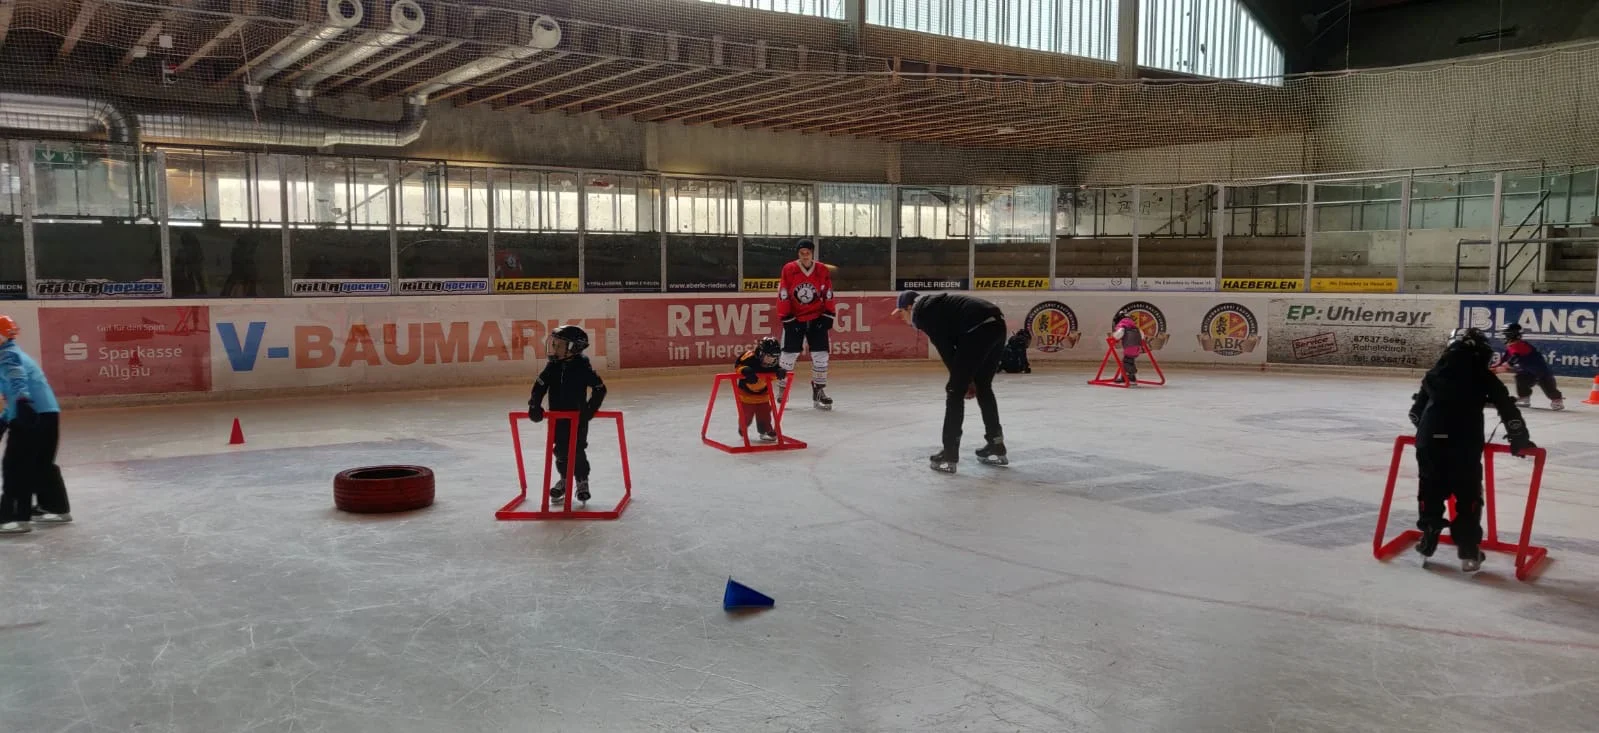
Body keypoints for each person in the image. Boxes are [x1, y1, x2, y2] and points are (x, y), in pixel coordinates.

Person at [1408, 327, 1535, 572]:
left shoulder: (1434, 374)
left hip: (1430, 439)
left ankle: (1429, 536)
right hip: (1464, 440)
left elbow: (1415, 413)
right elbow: (1508, 409)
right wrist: (1519, 437)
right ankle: (1467, 549)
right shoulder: (1482, 375)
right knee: (1468, 495)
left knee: (1430, 488)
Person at [893, 290, 1008, 474]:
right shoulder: (935, 306)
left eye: (900, 312)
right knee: (983, 386)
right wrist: (968, 379)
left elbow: (946, 349)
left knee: (955, 391)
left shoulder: (923, 311)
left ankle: (949, 455)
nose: (901, 318)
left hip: (978, 328)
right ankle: (996, 445)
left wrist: (962, 382)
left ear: (909, 307)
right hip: (997, 324)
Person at [0, 316, 70, 535]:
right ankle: (55, 508)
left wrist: (21, 401)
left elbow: (17, 380)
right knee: (41, 464)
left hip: (30, 414)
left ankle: (14, 519)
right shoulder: (15, 352)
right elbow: (14, 391)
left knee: (16, 466)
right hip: (47, 413)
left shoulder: (7, 355)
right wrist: (5, 418)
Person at [527, 325, 607, 505]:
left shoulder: (582, 366)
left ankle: (581, 481)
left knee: (577, 449)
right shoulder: (552, 366)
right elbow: (539, 386)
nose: (554, 348)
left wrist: (588, 411)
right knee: (560, 450)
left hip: (577, 419)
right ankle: (565, 479)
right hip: (557, 418)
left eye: (559, 345)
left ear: (574, 348)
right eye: (554, 344)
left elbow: (600, 388)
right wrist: (534, 405)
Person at [775, 238, 835, 410]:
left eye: (808, 252)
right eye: (802, 252)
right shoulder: (789, 269)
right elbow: (784, 292)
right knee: (788, 355)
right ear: (798, 253)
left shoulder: (821, 269)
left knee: (821, 355)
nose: (805, 255)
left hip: (817, 316)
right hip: (795, 318)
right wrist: (786, 317)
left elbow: (828, 291)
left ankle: (819, 391)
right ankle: (782, 390)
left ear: (812, 253)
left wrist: (828, 314)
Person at [1493, 323, 1563, 410]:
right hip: (1528, 373)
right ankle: (1524, 398)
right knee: (1520, 378)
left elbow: (1516, 356)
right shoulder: (1511, 346)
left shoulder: (1521, 345)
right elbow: (1504, 359)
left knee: (1549, 388)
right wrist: (1493, 368)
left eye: (1504, 334)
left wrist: (1507, 365)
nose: (1502, 336)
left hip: (1542, 372)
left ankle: (1557, 400)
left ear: (1511, 335)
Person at [733, 337, 787, 443]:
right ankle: (743, 426)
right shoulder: (749, 357)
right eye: (768, 357)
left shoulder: (774, 363)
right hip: (746, 395)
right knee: (746, 415)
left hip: (763, 395)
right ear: (761, 353)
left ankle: (766, 430)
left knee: (765, 414)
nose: (771, 361)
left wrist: (779, 372)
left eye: (774, 358)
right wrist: (744, 370)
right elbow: (737, 366)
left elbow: (772, 375)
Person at [1111, 316, 1144, 385]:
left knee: (1126, 362)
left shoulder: (1123, 328)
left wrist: (1114, 336)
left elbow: (1117, 335)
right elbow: (1142, 336)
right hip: (1137, 348)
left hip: (1129, 348)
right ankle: (1125, 377)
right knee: (1130, 361)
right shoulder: (1136, 328)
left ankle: (1131, 377)